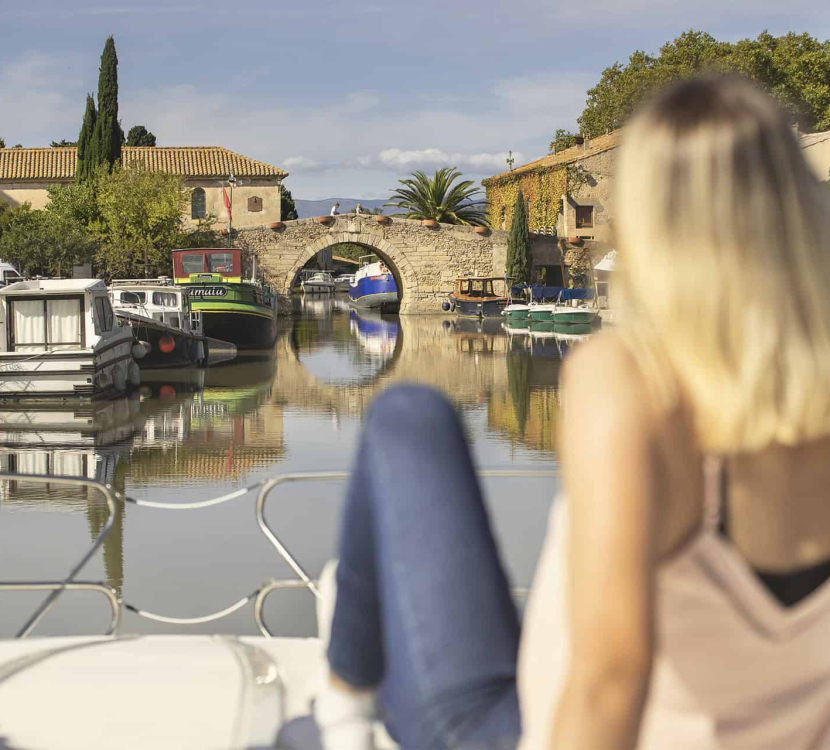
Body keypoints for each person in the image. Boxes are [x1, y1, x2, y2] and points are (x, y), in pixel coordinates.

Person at [307, 76, 830, 750]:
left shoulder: (628, 381)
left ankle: (344, 703)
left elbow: (610, 680)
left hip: (532, 732)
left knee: (407, 414)